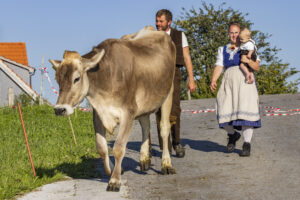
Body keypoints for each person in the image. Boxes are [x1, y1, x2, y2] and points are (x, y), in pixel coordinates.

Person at [210, 22, 261, 157]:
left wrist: (248, 61)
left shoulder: (249, 47)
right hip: (229, 82)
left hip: (245, 81)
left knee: (246, 111)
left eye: (236, 32)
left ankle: (247, 144)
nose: (233, 35)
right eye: (231, 33)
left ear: (241, 33)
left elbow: (257, 67)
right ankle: (232, 135)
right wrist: (214, 80)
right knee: (223, 108)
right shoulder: (223, 49)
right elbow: (219, 66)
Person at [154, 9, 196, 158]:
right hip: (157, 75)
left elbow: (186, 56)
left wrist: (191, 79)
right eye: (157, 21)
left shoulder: (179, 35)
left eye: (161, 21)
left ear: (169, 22)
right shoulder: (152, 36)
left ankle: (177, 142)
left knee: (174, 109)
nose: (158, 24)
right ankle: (165, 145)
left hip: (174, 73)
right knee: (159, 110)